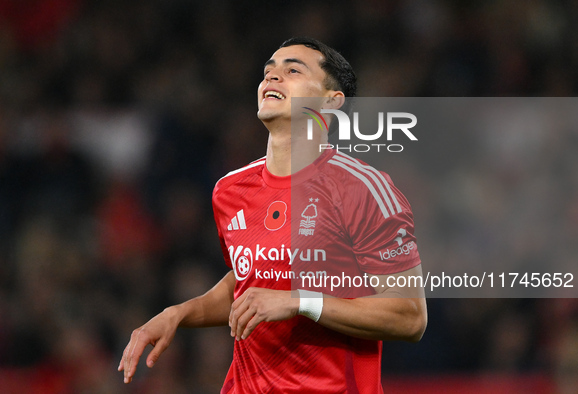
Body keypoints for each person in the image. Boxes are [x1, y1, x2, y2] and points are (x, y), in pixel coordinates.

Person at [119, 37, 427, 393]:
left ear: (331, 100)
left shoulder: (363, 189)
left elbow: (409, 316)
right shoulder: (229, 191)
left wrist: (300, 301)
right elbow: (250, 279)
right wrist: (179, 314)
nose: (272, 78)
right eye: (268, 72)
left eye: (292, 70)